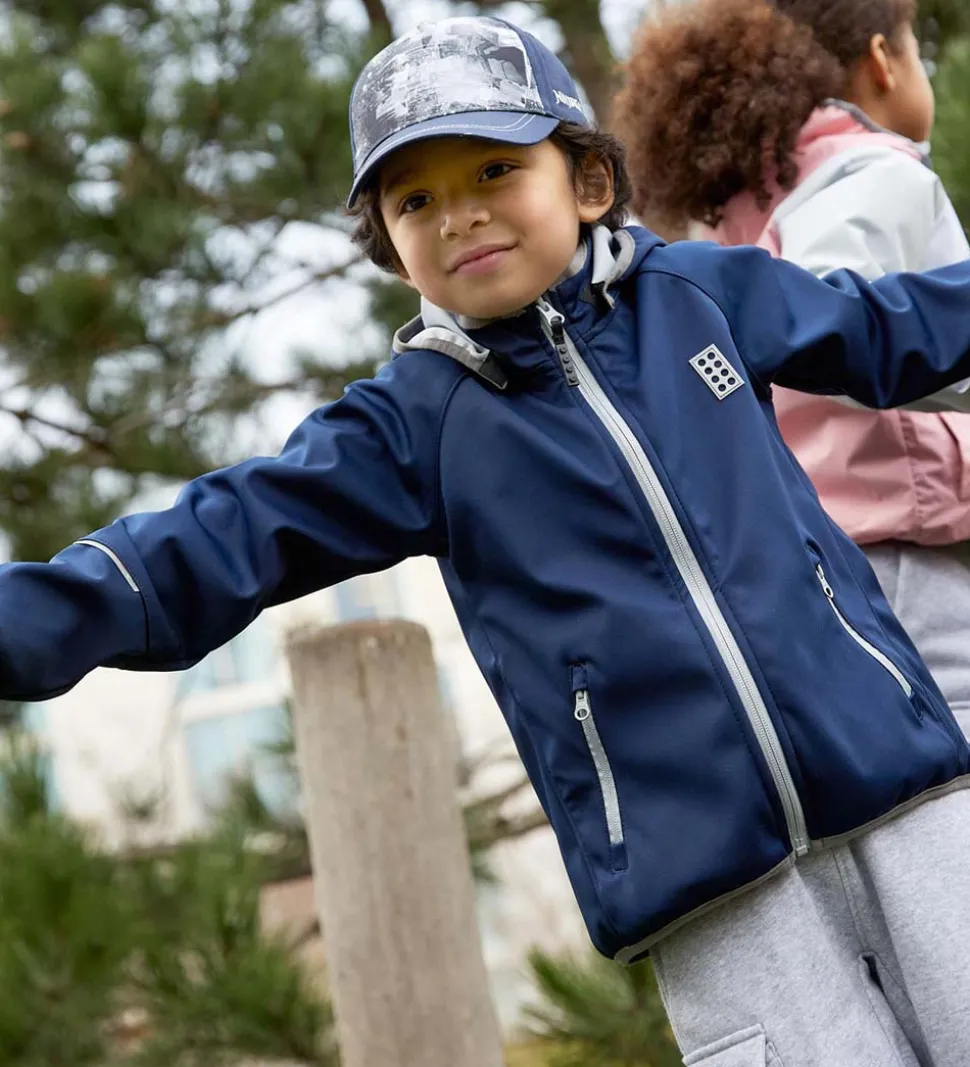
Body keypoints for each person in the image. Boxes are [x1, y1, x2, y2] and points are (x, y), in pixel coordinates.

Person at [8, 14, 970, 1064]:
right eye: (415, 200)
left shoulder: (700, 295)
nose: (459, 214)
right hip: (709, 880)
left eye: (494, 169)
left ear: (587, 183)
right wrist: (39, 614)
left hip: (899, 786)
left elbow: (894, 330)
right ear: (390, 246)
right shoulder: (412, 423)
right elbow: (223, 533)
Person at [615, 0, 970, 749]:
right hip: (902, 538)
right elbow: (837, 324)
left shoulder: (735, 218)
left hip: (815, 550)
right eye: (915, 49)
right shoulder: (873, 173)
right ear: (883, 61)